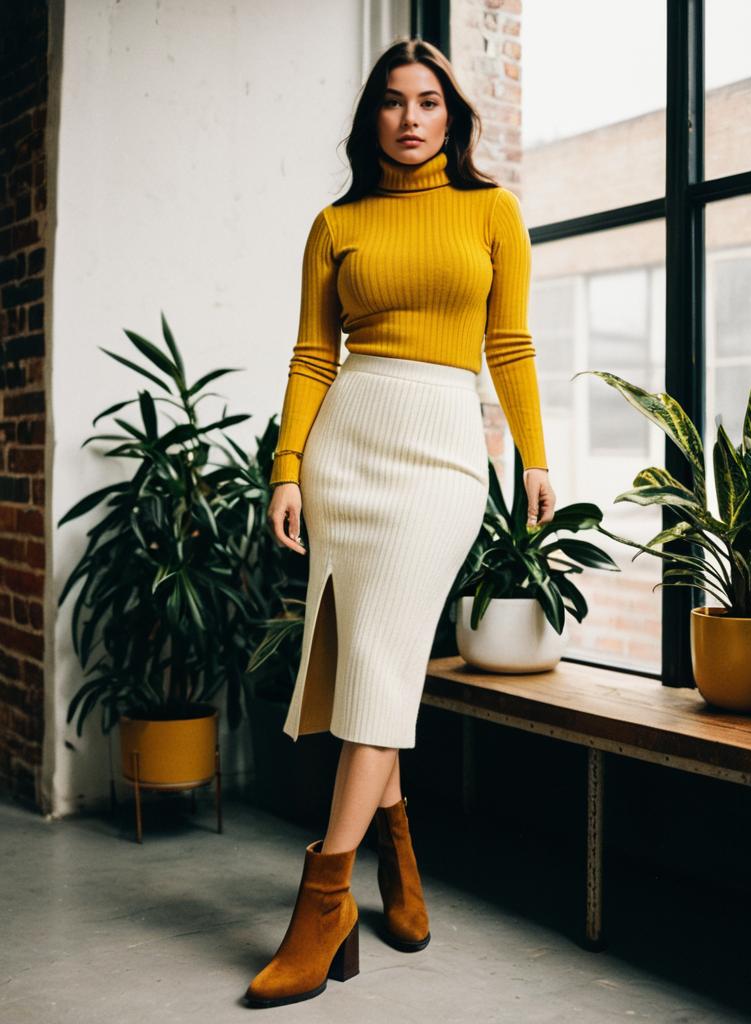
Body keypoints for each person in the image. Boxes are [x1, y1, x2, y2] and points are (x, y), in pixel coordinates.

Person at [245, 36, 557, 1009]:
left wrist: (536, 455)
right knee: (367, 661)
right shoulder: (335, 222)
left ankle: (325, 896)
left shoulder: (492, 210)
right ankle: (399, 849)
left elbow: (508, 341)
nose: (412, 117)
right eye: (393, 100)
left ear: (452, 118)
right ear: (371, 116)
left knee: (381, 659)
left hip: (442, 455)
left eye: (429, 101)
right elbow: (310, 353)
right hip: (348, 445)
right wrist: (288, 466)